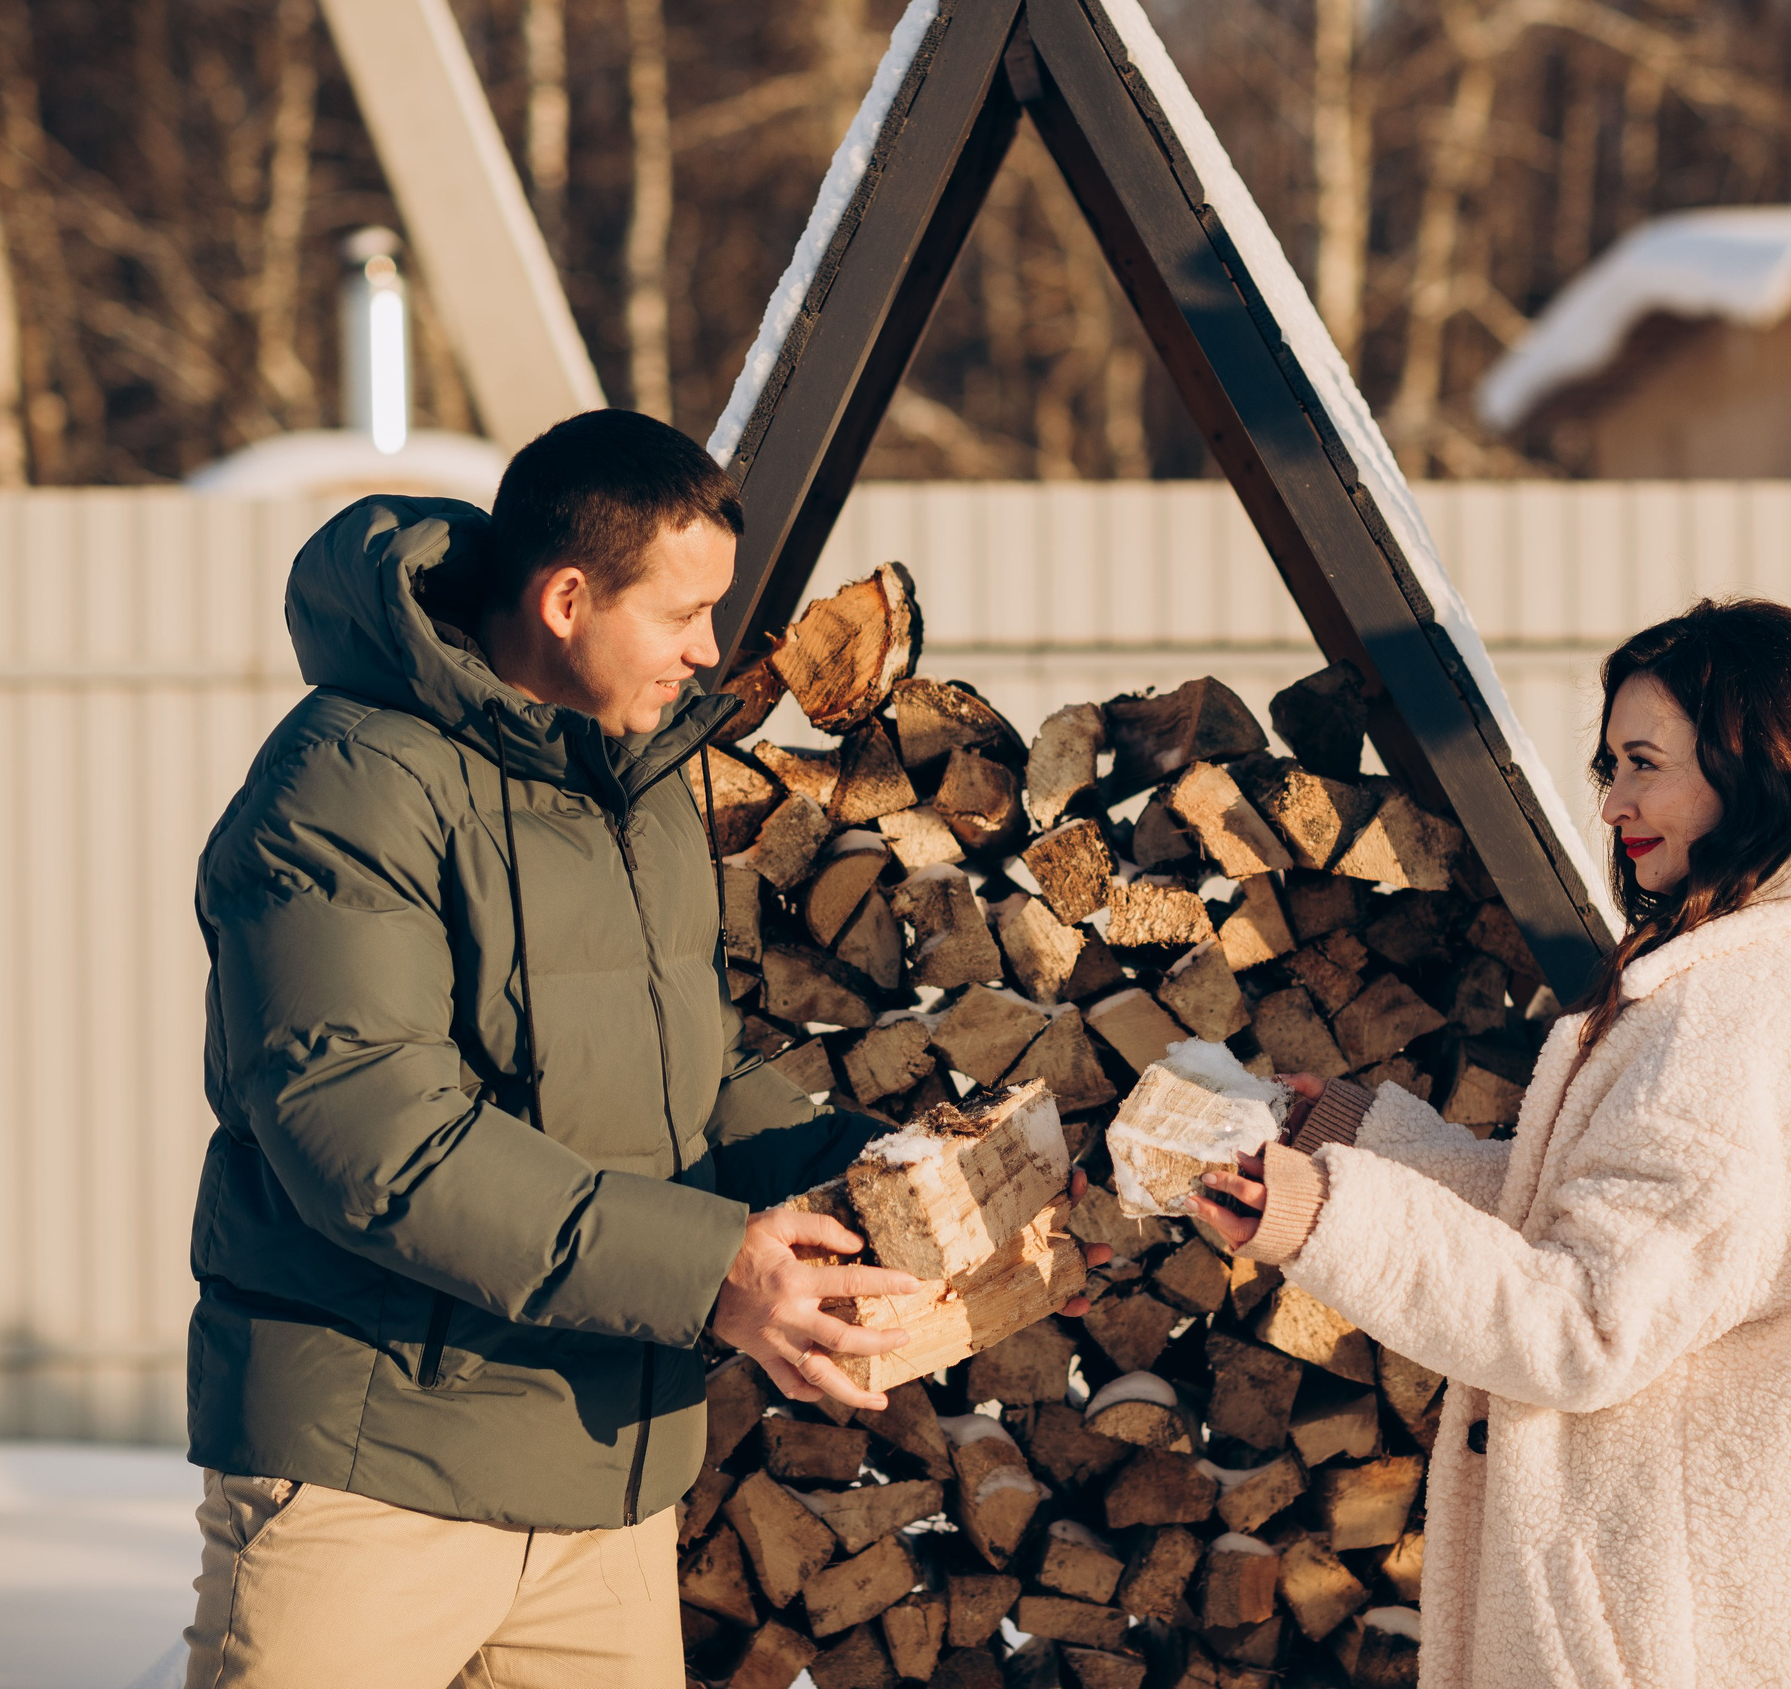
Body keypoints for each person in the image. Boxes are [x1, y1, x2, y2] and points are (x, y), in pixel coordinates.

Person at [179, 410, 1105, 1686]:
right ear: (567, 597)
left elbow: (688, 1084)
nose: (708, 651)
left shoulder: (636, 786)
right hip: (374, 1474)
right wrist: (708, 1268)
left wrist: (903, 1173)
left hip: (602, 1472)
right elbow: (373, 1136)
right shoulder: (346, 788)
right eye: (682, 614)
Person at [1190, 597, 1791, 1689]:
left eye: (1645, 763)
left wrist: (1324, 1214)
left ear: (1753, 764)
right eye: (1609, 765)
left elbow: (1587, 1317)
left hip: (1674, 1643)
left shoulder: (1733, 1018)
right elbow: (1640, 1225)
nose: (1616, 802)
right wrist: (1358, 1138)